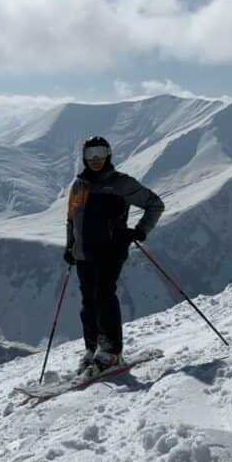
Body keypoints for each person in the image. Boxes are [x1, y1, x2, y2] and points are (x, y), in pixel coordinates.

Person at [63, 135, 164, 376]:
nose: (95, 158)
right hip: (84, 254)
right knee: (88, 302)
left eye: (100, 152)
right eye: (90, 154)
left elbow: (154, 204)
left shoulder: (121, 184)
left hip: (111, 251)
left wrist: (140, 231)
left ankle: (111, 352)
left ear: (109, 154)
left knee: (104, 296)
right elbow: (71, 219)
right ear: (83, 157)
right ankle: (93, 349)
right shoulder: (78, 186)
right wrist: (70, 247)